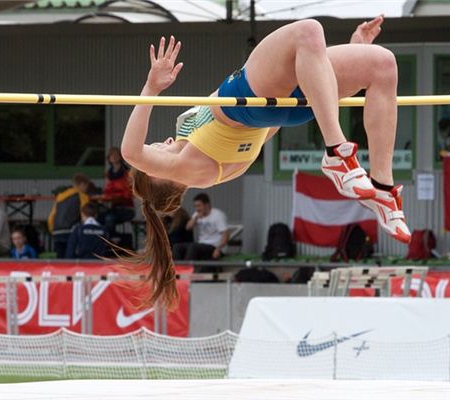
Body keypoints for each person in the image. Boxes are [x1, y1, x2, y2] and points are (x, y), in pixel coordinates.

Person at [118, 16, 411, 309]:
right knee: (308, 31)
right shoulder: (188, 168)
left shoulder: (214, 162)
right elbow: (131, 152)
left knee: (382, 64)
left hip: (284, 107)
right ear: (158, 173)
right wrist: (151, 88)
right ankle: (337, 153)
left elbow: (271, 124)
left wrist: (350, 53)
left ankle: (382, 185)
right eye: (157, 150)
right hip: (247, 97)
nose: (163, 142)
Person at [172, 193, 229, 261]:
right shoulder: (197, 214)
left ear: (207, 205)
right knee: (177, 247)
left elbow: (226, 235)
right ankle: (175, 269)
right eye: (195, 206)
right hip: (202, 244)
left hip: (214, 246)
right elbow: (188, 227)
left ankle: (187, 269)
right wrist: (196, 218)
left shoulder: (217, 215)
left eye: (199, 206)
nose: (197, 208)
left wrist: (218, 249)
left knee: (192, 247)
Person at [47, 173, 91, 258]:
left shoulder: (60, 196)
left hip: (57, 231)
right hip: (71, 231)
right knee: (70, 258)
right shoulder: (81, 195)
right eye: (86, 186)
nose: (86, 189)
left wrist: (52, 230)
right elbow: (85, 213)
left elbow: (51, 217)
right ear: (82, 184)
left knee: (60, 257)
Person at [98, 147, 136, 237]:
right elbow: (107, 191)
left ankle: (112, 241)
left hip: (126, 208)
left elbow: (130, 191)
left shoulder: (127, 172)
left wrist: (115, 196)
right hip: (113, 208)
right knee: (98, 218)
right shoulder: (108, 173)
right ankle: (103, 242)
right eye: (111, 155)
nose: (114, 157)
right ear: (109, 158)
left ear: (120, 156)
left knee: (109, 219)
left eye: (116, 155)